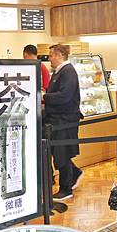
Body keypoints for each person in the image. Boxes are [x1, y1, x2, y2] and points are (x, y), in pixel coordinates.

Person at [43, 44, 83, 201]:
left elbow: (64, 96)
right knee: (59, 152)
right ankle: (75, 173)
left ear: (59, 55)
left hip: (64, 120)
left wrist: (44, 97)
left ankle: (66, 189)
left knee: (62, 154)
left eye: (51, 56)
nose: (49, 59)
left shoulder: (67, 72)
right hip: (57, 119)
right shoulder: (59, 72)